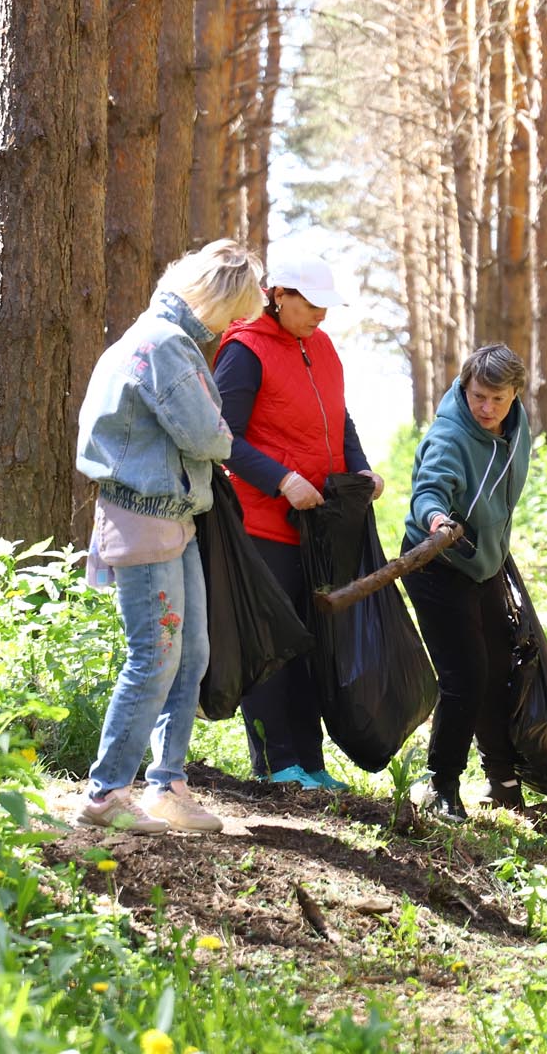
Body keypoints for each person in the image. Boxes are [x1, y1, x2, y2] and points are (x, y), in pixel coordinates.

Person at [73, 239, 265, 836]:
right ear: (217, 299)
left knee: (191, 656)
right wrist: (224, 438)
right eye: (234, 315)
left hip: (171, 516)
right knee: (154, 657)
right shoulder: (167, 346)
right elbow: (208, 436)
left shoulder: (162, 337)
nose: (232, 328)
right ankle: (107, 794)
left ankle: (167, 785)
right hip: (146, 516)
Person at [212, 250, 381, 790]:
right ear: (277, 294)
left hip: (321, 525)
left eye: (326, 306)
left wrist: (361, 467)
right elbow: (223, 437)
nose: (322, 316)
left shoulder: (322, 345)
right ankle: (274, 763)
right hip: (265, 525)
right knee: (275, 646)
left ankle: (310, 763)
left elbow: (339, 417)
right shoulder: (244, 351)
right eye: (311, 304)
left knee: (312, 645)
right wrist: (281, 479)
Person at [401, 343, 532, 821]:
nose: (486, 409)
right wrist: (437, 519)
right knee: (465, 676)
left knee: (499, 672)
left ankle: (503, 785)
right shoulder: (450, 435)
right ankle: (441, 786)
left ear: (516, 395)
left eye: (498, 399)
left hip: (485, 565)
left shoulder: (516, 430)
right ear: (464, 387)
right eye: (478, 396)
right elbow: (430, 487)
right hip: (436, 562)